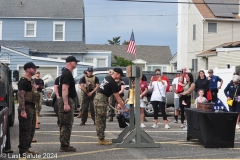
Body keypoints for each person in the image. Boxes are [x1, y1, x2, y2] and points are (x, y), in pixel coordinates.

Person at [94, 68, 127, 145]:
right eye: (120, 75)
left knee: (100, 119)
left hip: (100, 98)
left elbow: (104, 89)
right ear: (117, 74)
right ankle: (101, 139)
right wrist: (124, 108)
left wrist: (106, 99)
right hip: (101, 99)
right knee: (101, 120)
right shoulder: (113, 83)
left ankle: (101, 137)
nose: (120, 77)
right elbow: (118, 97)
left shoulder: (107, 77)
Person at [18, 62, 40, 157]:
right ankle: (23, 151)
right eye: (33, 68)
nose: (35, 69)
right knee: (24, 130)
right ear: (27, 69)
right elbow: (21, 96)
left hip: (32, 107)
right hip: (26, 107)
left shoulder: (31, 81)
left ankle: (27, 149)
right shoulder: (23, 81)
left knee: (31, 130)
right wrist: (23, 111)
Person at [58, 56, 79, 152]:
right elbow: (64, 88)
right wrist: (66, 103)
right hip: (67, 100)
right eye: (75, 62)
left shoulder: (67, 73)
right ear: (70, 62)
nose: (77, 63)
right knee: (66, 124)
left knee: (66, 123)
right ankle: (64, 145)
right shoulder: (67, 73)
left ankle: (65, 143)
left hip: (68, 99)